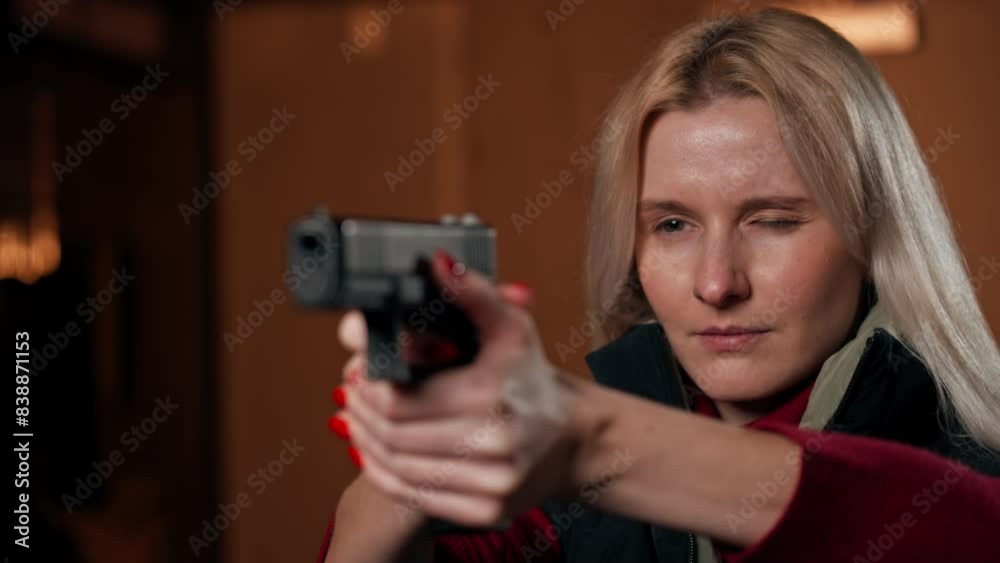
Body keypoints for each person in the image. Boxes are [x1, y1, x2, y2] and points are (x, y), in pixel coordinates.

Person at [317, 7, 1000, 563]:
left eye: (773, 221)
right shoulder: (561, 498)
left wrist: (589, 439)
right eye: (673, 225)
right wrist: (401, 473)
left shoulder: (963, 480)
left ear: (875, 237)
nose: (716, 282)